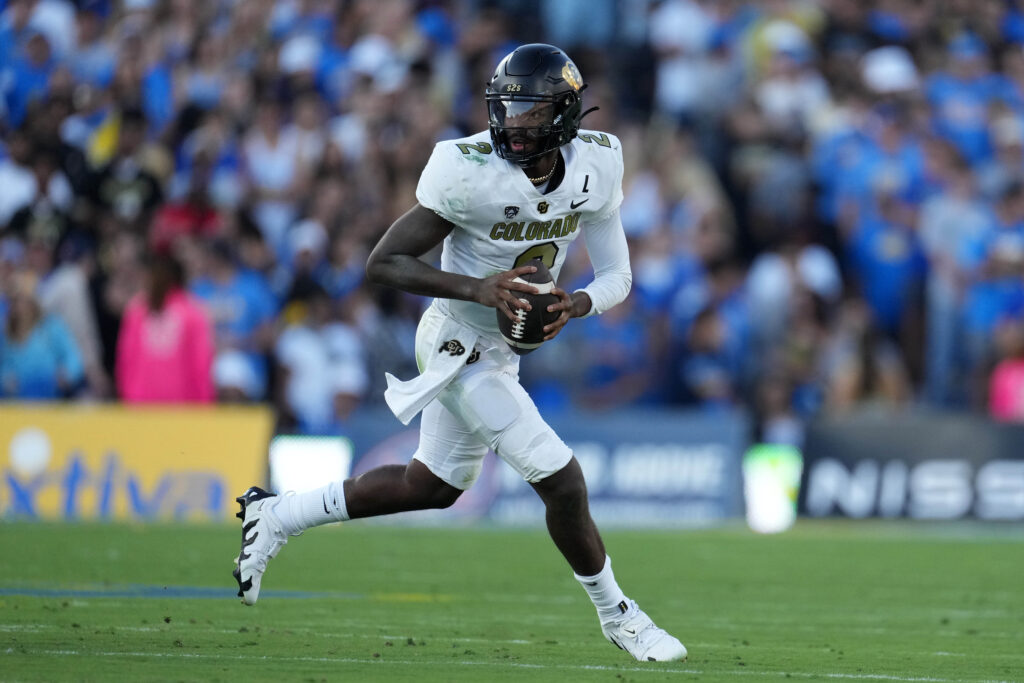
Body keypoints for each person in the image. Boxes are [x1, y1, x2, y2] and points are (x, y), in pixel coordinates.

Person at [232, 44, 687, 663]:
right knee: (563, 480)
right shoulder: (467, 167)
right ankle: (618, 613)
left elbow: (617, 277)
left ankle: (279, 513)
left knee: (434, 486)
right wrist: (479, 288)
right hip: (455, 338)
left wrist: (570, 306)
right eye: (507, 108)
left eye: (529, 110)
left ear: (564, 113)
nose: (513, 122)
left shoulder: (597, 165)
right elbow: (384, 263)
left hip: (503, 347)